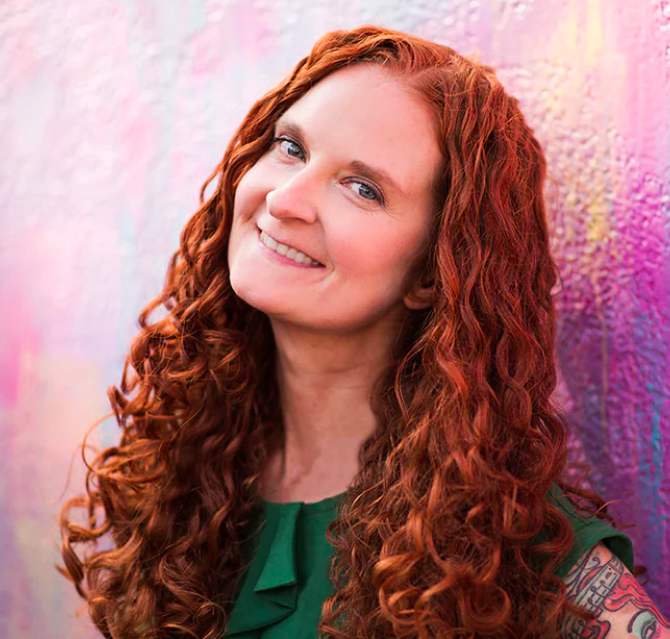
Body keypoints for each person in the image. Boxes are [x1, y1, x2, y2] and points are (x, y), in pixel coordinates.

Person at [58, 24, 669, 639]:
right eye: (291, 148)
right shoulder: (183, 467)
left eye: (362, 189)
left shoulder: (510, 551)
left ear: (433, 271)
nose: (286, 199)